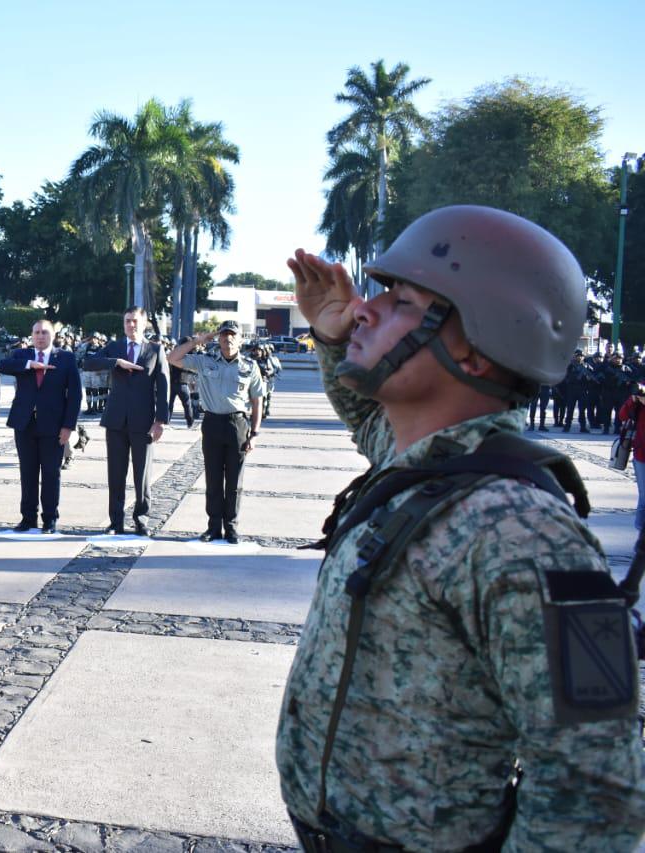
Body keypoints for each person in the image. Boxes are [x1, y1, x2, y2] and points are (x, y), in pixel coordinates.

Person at [279, 205, 645, 851]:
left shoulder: (521, 531)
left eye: (401, 301)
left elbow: (594, 786)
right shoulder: (429, 467)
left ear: (478, 349)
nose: (366, 307)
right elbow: (371, 420)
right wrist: (336, 337)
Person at [167, 320, 264, 543]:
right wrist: (198, 340)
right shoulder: (205, 361)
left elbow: (257, 401)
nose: (227, 339)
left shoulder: (250, 366)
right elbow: (173, 358)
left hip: (237, 425)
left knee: (234, 480)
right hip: (212, 424)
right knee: (212, 478)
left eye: (232, 335)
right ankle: (213, 527)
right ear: (218, 339)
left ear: (240, 339)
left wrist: (255, 434)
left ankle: (231, 527)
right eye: (223, 335)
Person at [82, 307, 168, 536]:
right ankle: (116, 522)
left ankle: (141, 519)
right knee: (116, 473)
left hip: (144, 421)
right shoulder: (115, 347)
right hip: (116, 420)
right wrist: (116, 362)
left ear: (145, 323)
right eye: (127, 321)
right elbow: (88, 363)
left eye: (135, 321)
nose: (131, 325)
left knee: (142, 475)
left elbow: (164, 386)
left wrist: (160, 420)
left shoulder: (155, 350)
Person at [0, 319, 82, 534]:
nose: (40, 336)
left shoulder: (65, 358)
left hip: (53, 426)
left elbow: (74, 395)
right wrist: (29, 365)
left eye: (45, 332)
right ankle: (28, 518)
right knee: (27, 472)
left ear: (53, 335)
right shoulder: (22, 356)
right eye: (36, 332)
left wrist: (68, 426)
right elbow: (2, 365)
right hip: (24, 424)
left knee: (51, 473)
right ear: (31, 335)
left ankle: (50, 519)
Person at [618, 382, 645, 530]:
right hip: (641, 454)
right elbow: (622, 416)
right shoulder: (638, 399)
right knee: (644, 497)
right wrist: (632, 400)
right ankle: (641, 532)